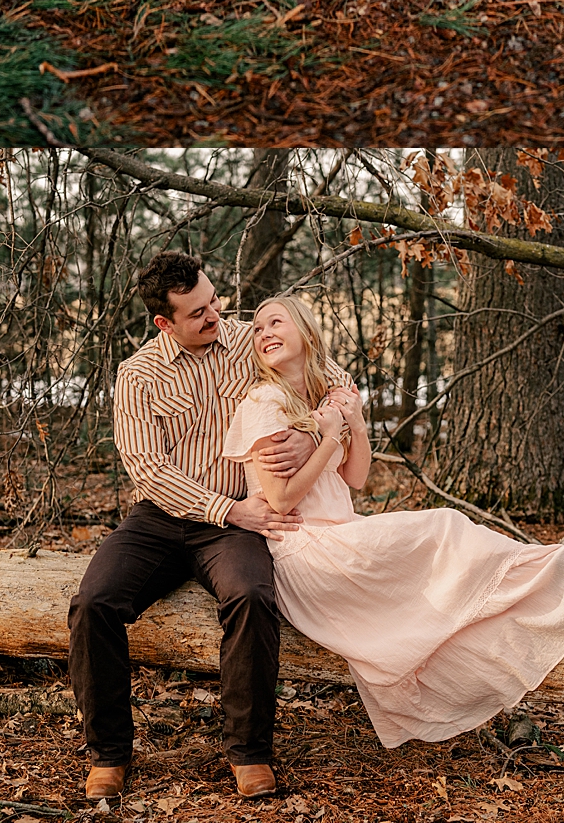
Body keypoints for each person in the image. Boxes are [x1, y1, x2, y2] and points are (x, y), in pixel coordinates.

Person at [219, 292, 564, 755]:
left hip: (343, 535)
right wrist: (329, 433)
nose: (263, 334)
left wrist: (353, 423)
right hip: (306, 550)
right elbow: (279, 498)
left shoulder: (320, 398)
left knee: (455, 596)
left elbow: (355, 477)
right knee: (446, 530)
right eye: (256, 329)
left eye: (274, 322)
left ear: (306, 330)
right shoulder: (265, 399)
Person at [68, 252, 355, 803]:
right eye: (197, 312)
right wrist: (228, 510)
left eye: (214, 300)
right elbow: (148, 470)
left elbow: (334, 377)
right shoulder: (138, 375)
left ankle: (249, 752)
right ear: (164, 322)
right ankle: (109, 754)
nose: (214, 315)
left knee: (250, 594)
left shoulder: (248, 339)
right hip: (163, 517)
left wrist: (321, 423)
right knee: (93, 603)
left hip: (237, 520)